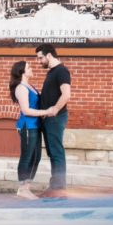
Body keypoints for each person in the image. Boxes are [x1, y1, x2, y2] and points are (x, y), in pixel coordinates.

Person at [8, 60, 53, 199]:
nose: (31, 68)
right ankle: (22, 188)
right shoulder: (21, 88)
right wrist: (46, 111)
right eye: (29, 67)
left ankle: (27, 188)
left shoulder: (29, 86)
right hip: (28, 126)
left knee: (36, 157)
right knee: (27, 157)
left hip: (36, 126)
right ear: (22, 72)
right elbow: (26, 110)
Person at [35, 44, 72, 198]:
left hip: (56, 118)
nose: (39, 62)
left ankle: (58, 188)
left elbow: (66, 94)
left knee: (56, 152)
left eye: (40, 58)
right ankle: (55, 186)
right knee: (53, 152)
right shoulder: (52, 72)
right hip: (49, 119)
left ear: (49, 55)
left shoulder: (61, 71)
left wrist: (55, 109)